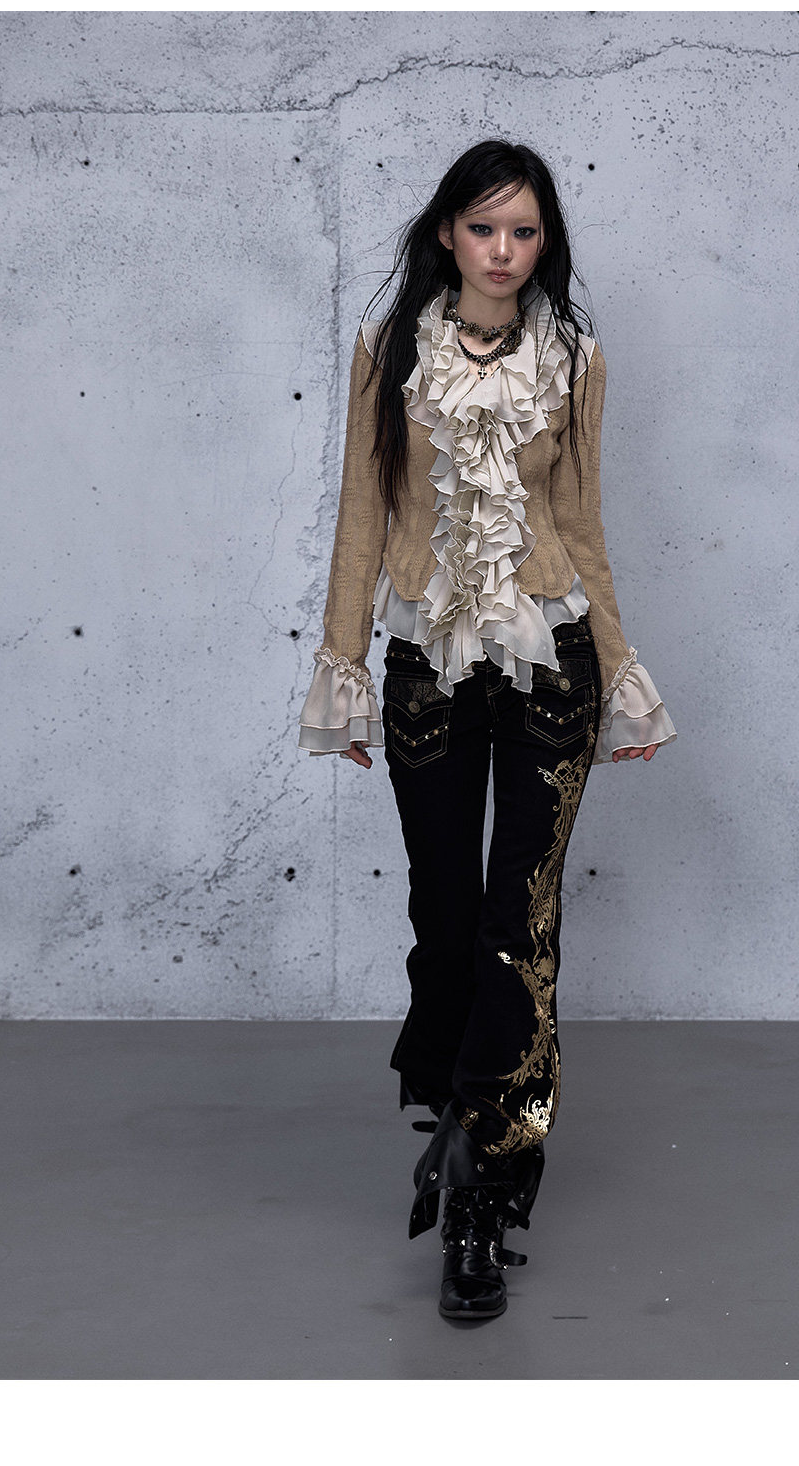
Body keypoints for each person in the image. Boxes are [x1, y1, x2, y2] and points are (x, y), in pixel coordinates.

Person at [297, 139, 677, 1321]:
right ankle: (461, 1112)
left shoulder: (574, 359)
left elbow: (584, 525)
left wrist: (623, 673)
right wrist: (342, 671)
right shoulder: (388, 352)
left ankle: (480, 1184)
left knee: (522, 922)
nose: (503, 252)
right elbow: (361, 517)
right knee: (447, 913)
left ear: (543, 240)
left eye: (523, 231)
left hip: (553, 662)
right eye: (482, 228)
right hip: (426, 664)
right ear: (446, 234)